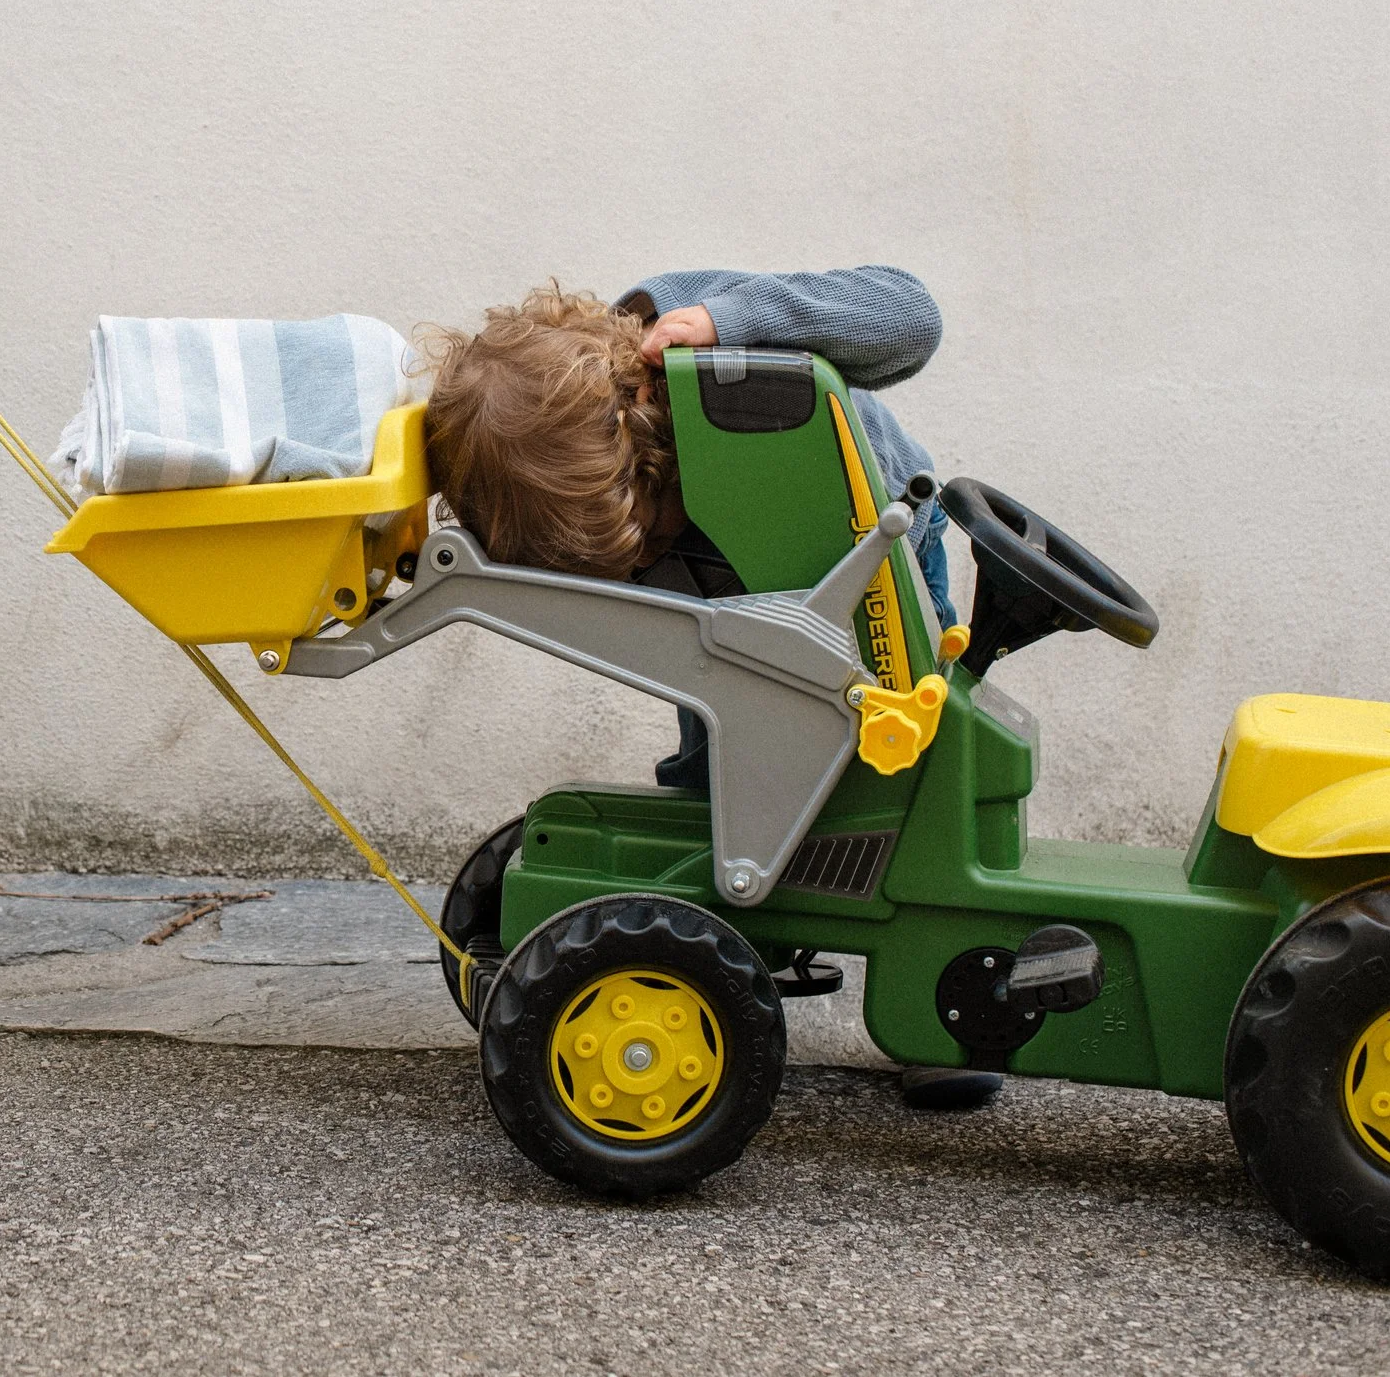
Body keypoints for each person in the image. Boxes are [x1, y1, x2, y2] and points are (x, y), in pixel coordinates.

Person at [421, 268, 1000, 1111]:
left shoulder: (709, 339)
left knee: (897, 766)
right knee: (721, 749)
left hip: (878, 561)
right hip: (728, 605)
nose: (621, 568)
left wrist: (734, 320)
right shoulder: (564, 471)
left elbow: (912, 315)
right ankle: (723, 922)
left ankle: (941, 997)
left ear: (653, 437)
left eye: (635, 538)